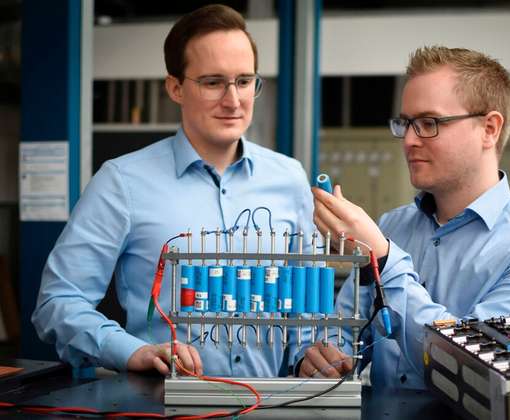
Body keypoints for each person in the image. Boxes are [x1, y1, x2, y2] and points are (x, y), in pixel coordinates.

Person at [32, 4, 314, 377]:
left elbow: (306, 306)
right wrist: (132, 352)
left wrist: (311, 352)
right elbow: (58, 301)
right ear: (175, 88)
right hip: (161, 405)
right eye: (213, 82)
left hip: (271, 406)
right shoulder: (121, 183)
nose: (233, 100)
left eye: (244, 81)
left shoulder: (290, 178)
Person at [298, 46, 510, 390]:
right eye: (406, 123)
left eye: (429, 123)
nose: (410, 141)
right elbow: (346, 330)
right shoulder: (392, 227)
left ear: (489, 128)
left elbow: (472, 370)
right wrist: (322, 356)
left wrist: (386, 261)